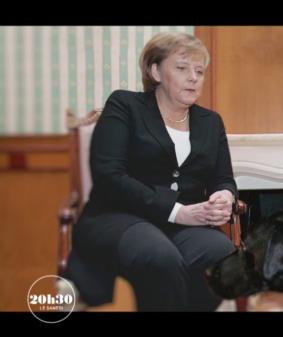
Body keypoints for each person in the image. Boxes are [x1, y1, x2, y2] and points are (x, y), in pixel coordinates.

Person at [65, 32, 237, 311]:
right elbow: (109, 175)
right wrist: (177, 211)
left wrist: (224, 196)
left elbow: (223, 178)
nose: (193, 77)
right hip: (119, 215)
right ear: (155, 71)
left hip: (181, 225)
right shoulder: (124, 105)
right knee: (158, 256)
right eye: (182, 68)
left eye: (199, 71)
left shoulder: (211, 122)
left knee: (222, 254)